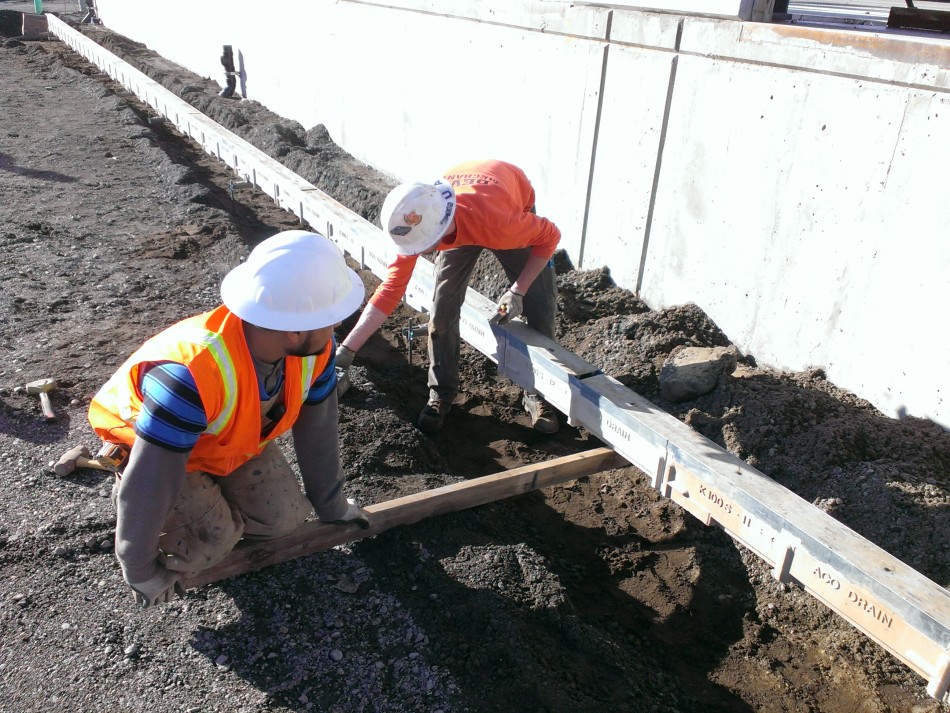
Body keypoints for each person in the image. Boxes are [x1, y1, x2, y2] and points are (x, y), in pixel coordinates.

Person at [88, 230, 371, 608]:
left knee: (284, 520)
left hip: (224, 443)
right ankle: (170, 511)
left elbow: (318, 431)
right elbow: (153, 478)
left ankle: (209, 506)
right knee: (206, 548)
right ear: (294, 330)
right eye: (331, 319)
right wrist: (138, 567)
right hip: (157, 454)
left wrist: (333, 508)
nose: (336, 328)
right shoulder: (190, 374)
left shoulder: (315, 351)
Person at [334, 159, 561, 434]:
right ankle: (441, 392)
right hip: (465, 210)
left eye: (424, 245)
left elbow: (550, 237)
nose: (420, 251)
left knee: (540, 308)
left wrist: (518, 290)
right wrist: (346, 351)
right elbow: (391, 289)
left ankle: (537, 394)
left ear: (439, 229)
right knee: (442, 312)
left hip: (505, 202)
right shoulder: (418, 222)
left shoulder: (502, 225)